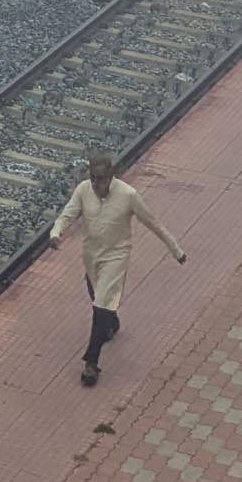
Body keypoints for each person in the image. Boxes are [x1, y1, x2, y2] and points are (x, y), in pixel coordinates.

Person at [46, 152, 185, 386]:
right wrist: (55, 233)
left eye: (100, 179)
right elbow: (68, 213)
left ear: (111, 176)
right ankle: (112, 323)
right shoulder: (83, 190)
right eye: (92, 178)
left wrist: (176, 250)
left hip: (116, 256)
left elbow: (153, 223)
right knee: (98, 299)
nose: (96, 184)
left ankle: (91, 363)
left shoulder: (128, 195)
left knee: (100, 304)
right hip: (91, 256)